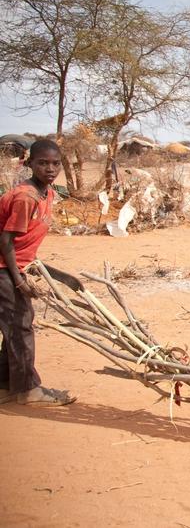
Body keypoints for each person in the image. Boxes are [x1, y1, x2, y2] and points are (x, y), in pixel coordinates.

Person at [0, 138, 75, 406]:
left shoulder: (47, 192)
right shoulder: (25, 196)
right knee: (20, 327)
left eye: (55, 163)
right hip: (3, 269)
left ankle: (6, 385)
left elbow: (24, 241)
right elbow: (6, 242)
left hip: (14, 266)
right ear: (30, 163)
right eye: (42, 163)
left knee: (15, 326)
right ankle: (27, 390)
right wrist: (19, 280)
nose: (50, 169)